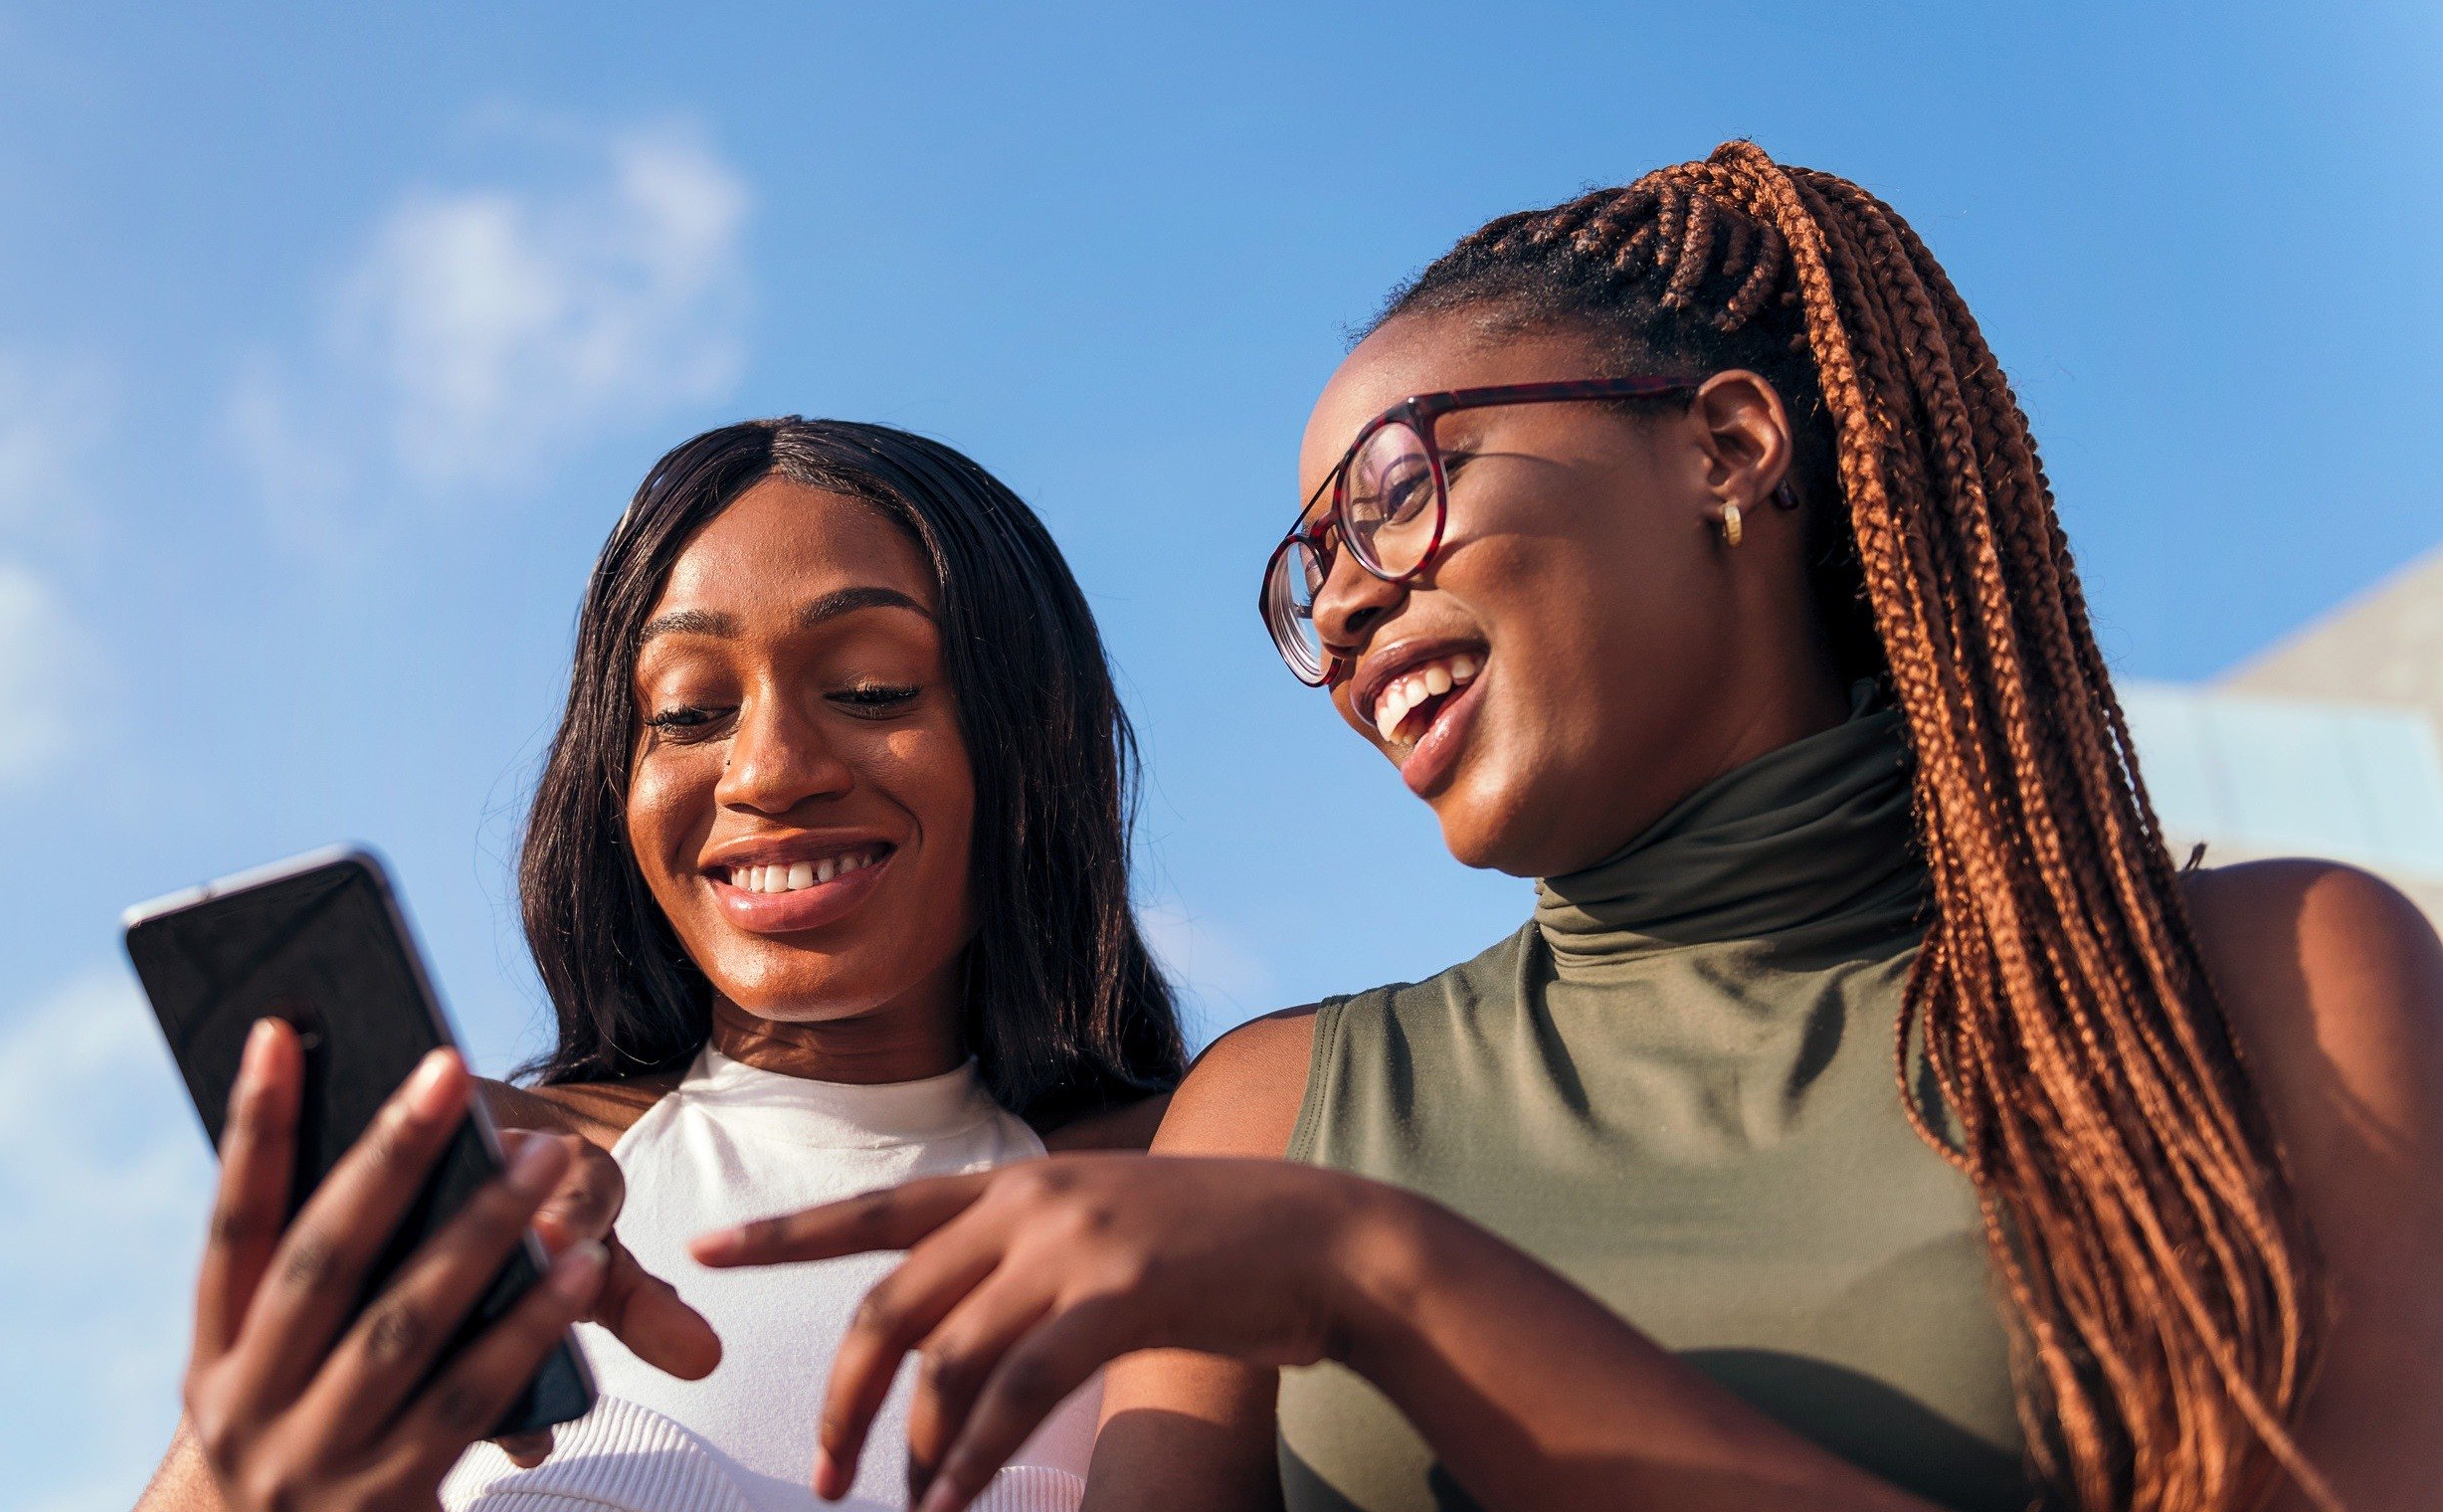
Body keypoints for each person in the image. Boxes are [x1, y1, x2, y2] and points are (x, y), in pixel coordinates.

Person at [696, 143, 2443, 1512]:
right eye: (1311, 578)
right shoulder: (1275, 1110)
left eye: (1396, 495)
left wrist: (1391, 1287)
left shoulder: (2273, 983)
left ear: (1729, 449)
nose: (1352, 614)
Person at [131, 419, 1188, 1512]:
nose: (768, 770)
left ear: (1031, 737)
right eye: (687, 710)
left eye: (872, 688)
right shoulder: (495, 1191)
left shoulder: (1202, 1176)